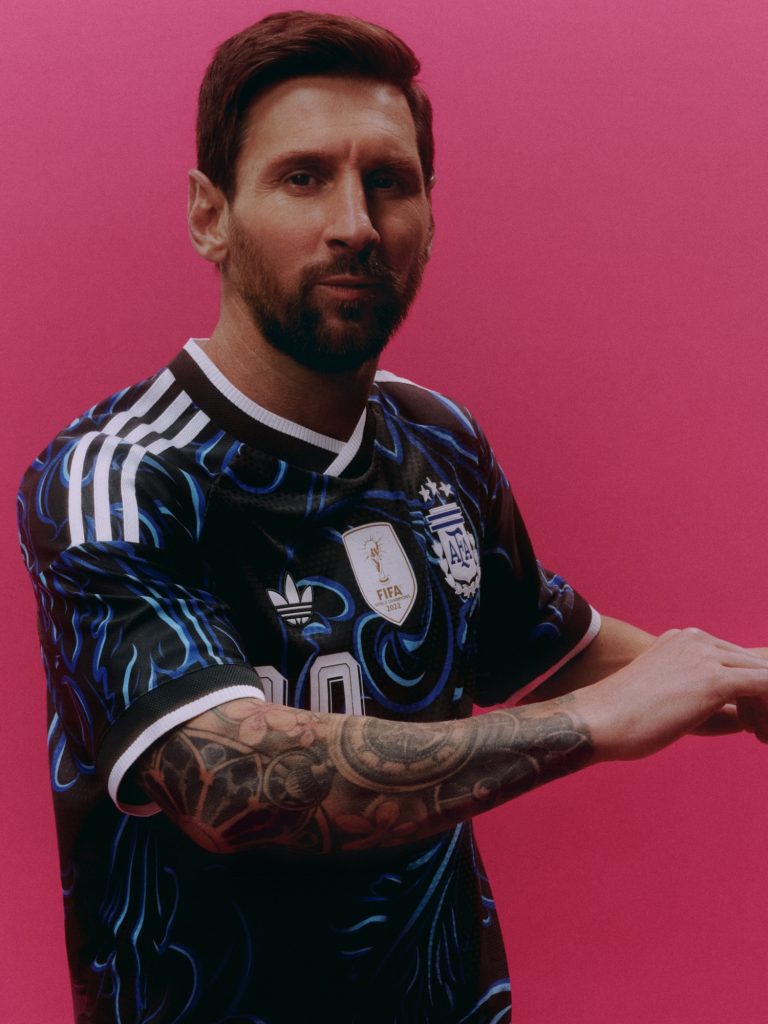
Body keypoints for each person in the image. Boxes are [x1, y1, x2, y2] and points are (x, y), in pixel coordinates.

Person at [17, 11, 768, 1024]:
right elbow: (230, 783)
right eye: (303, 178)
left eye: (389, 181)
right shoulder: (115, 477)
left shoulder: (437, 437)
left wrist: (738, 678)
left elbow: (548, 646)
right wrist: (592, 728)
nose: (355, 224)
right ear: (209, 215)